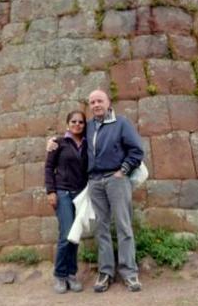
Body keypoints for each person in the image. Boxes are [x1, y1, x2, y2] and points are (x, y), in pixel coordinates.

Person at [47, 90, 144, 293]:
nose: (96, 104)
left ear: (108, 102)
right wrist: (52, 142)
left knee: (123, 226)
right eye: (92, 102)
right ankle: (105, 272)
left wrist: (123, 170)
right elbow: (70, 137)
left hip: (116, 179)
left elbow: (136, 150)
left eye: (100, 100)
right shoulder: (89, 126)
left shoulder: (121, 123)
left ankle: (129, 272)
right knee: (101, 229)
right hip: (95, 183)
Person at [45, 110, 88, 294]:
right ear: (67, 124)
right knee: (66, 234)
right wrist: (51, 191)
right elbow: (49, 167)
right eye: (73, 121)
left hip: (81, 194)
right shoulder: (58, 143)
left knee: (75, 235)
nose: (77, 124)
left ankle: (72, 274)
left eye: (80, 122)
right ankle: (60, 275)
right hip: (63, 192)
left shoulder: (88, 144)